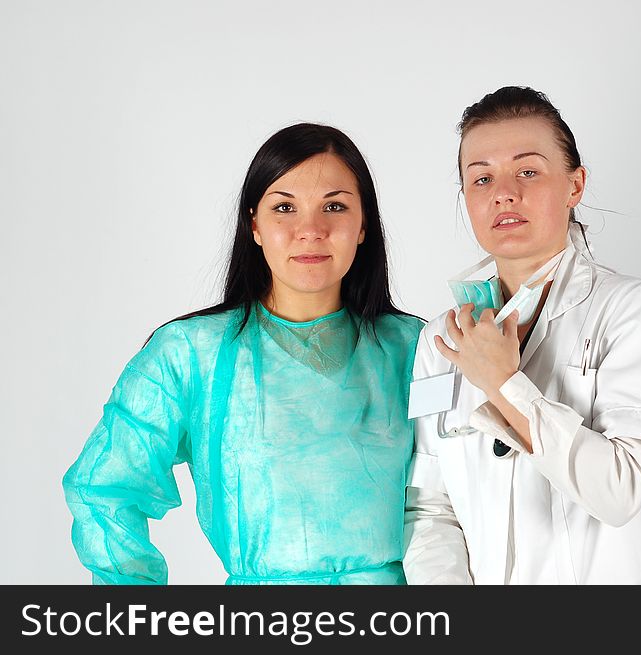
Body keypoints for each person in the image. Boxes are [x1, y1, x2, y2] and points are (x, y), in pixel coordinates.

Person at [63, 123, 424, 585]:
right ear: (254, 224)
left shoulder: (415, 350)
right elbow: (104, 488)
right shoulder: (191, 354)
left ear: (363, 225)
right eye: (285, 208)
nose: (310, 230)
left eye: (334, 206)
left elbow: (464, 499)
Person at [403, 87, 641, 584]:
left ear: (574, 185)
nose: (503, 192)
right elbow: (429, 510)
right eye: (482, 177)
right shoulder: (439, 342)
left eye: (528, 171)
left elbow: (620, 492)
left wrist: (504, 384)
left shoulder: (630, 309)